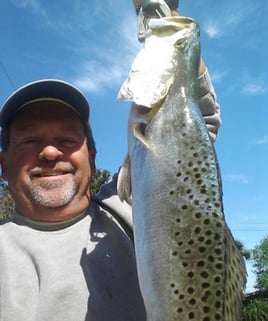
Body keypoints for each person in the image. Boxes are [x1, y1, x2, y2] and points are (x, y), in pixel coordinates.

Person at [0, 1, 221, 320]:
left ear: (91, 156)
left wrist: (164, 19)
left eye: (66, 140)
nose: (50, 153)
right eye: (31, 140)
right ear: (3, 164)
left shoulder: (132, 201)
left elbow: (194, 124)